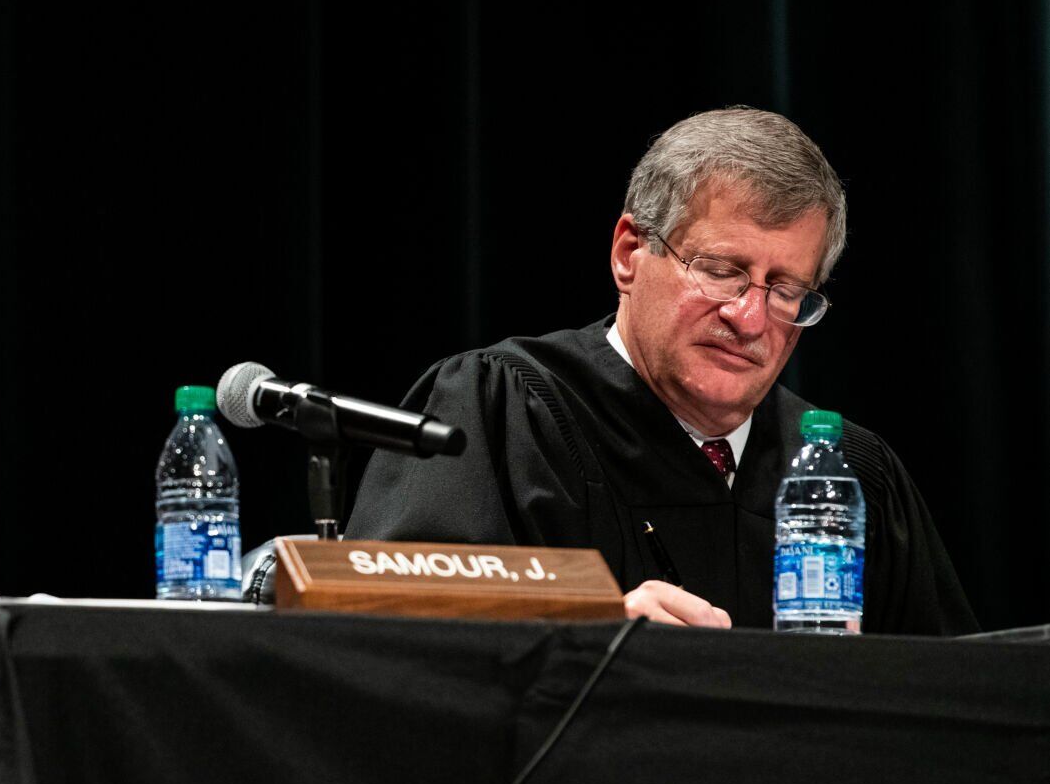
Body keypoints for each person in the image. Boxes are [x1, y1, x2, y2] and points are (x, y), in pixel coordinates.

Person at [345, 107, 975, 634]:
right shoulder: (501, 411)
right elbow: (393, 647)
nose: (751, 318)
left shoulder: (853, 475)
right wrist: (589, 642)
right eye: (722, 271)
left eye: (787, 290)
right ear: (629, 254)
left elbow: (949, 713)